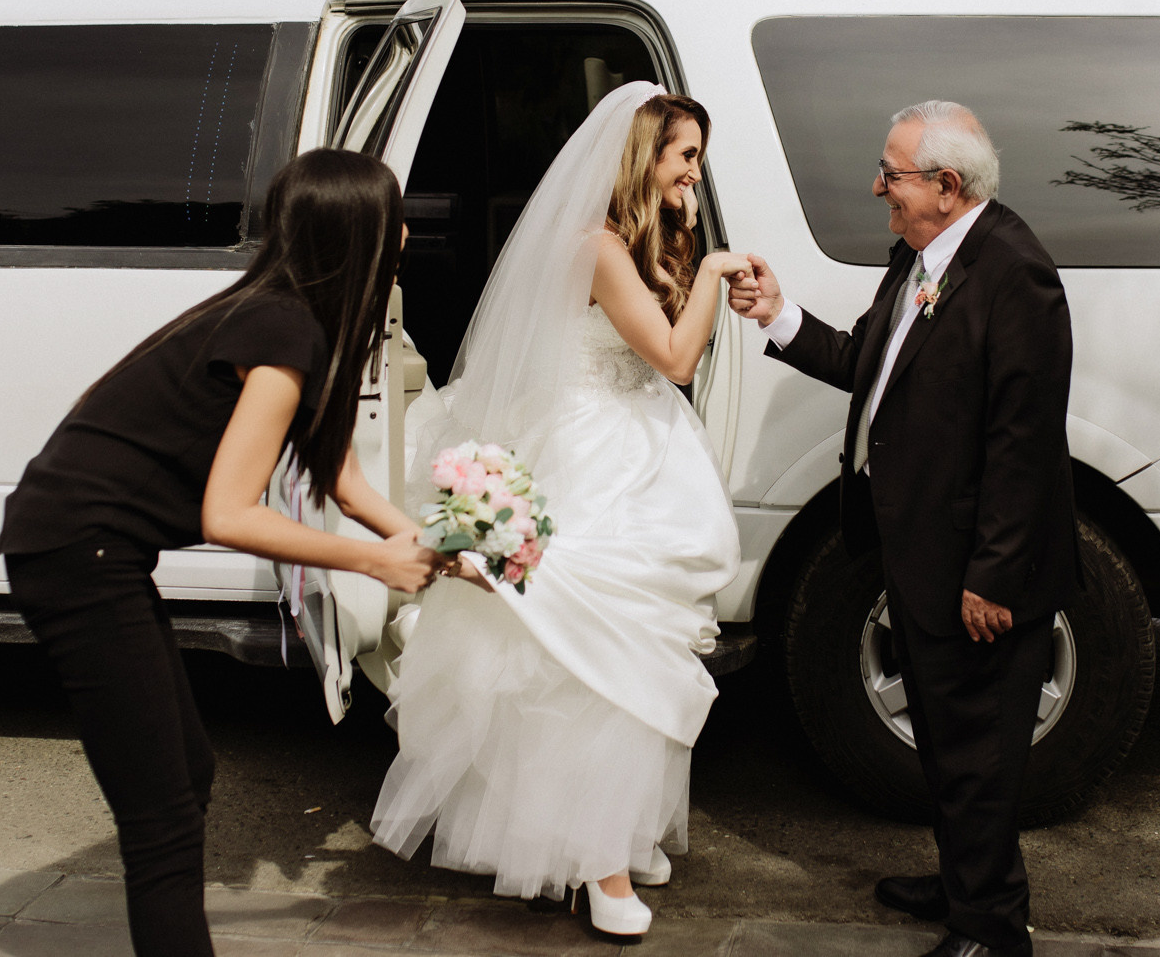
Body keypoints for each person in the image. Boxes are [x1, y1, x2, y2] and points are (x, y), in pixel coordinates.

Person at [0, 149, 450, 957]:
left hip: (96, 545)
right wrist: (374, 563)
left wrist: (420, 539)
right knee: (163, 816)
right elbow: (230, 512)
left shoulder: (294, 319)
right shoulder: (282, 332)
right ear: (363, 235)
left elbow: (343, 478)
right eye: (395, 215)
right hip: (74, 547)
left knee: (189, 772)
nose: (408, 229)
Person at [371, 82, 745, 939]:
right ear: (643, 156)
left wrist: (694, 253)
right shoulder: (600, 247)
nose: (695, 172)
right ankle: (597, 864)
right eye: (685, 155)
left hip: (639, 447)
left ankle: (606, 838)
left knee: (629, 653)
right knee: (584, 655)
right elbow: (678, 356)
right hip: (593, 456)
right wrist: (718, 271)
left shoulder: (641, 240)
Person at [728, 101, 1077, 957]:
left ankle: (992, 930)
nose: (877, 185)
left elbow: (1023, 444)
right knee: (948, 744)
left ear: (948, 186)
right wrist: (778, 313)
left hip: (978, 572)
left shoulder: (1015, 274)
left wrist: (991, 575)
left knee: (978, 757)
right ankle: (966, 881)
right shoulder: (924, 255)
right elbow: (867, 364)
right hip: (919, 555)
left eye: (893, 172)